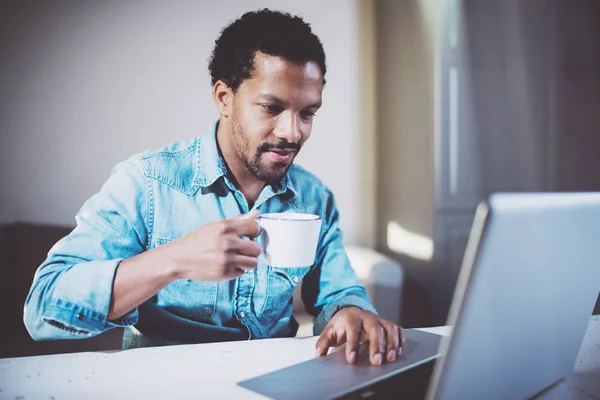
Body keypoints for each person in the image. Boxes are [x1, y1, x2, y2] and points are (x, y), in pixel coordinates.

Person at [24, 8, 404, 367]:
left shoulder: (313, 197)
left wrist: (352, 313)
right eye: (271, 108)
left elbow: (338, 294)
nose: (293, 133)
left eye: (307, 113)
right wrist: (173, 261)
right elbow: (42, 308)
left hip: (276, 383)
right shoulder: (148, 183)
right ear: (224, 98)